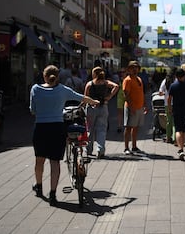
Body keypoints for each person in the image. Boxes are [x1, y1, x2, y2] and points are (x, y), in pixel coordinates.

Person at [29, 65, 100, 206]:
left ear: (44, 76)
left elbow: (33, 110)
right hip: (57, 128)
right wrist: (94, 102)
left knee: (39, 160)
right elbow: (82, 97)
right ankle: (53, 194)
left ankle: (38, 187)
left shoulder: (35, 89)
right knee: (55, 162)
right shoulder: (62, 90)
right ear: (58, 77)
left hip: (41, 128)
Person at [84, 66, 119, 158]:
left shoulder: (89, 84)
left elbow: (85, 98)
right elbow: (116, 86)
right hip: (103, 107)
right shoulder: (106, 82)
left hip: (91, 108)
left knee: (90, 130)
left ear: (94, 74)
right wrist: (109, 97)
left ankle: (88, 150)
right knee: (102, 130)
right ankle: (100, 150)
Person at [123, 61, 148, 155]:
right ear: (129, 69)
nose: (134, 69)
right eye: (132, 67)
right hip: (131, 108)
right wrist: (132, 107)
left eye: (136, 67)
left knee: (136, 127)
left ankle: (134, 146)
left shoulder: (139, 79)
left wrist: (144, 104)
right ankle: (126, 147)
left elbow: (141, 93)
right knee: (128, 127)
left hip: (139, 107)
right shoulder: (127, 80)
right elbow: (126, 95)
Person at [159, 67, 176, 143]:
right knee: (175, 122)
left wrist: (165, 93)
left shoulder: (165, 81)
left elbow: (160, 92)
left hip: (167, 103)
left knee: (169, 121)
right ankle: (175, 139)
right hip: (176, 103)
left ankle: (168, 138)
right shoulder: (176, 81)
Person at [116, 68, 127, 133]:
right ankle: (119, 126)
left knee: (127, 111)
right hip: (120, 96)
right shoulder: (118, 79)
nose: (122, 73)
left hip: (127, 96)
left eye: (123, 72)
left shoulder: (128, 79)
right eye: (121, 72)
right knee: (120, 111)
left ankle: (126, 125)